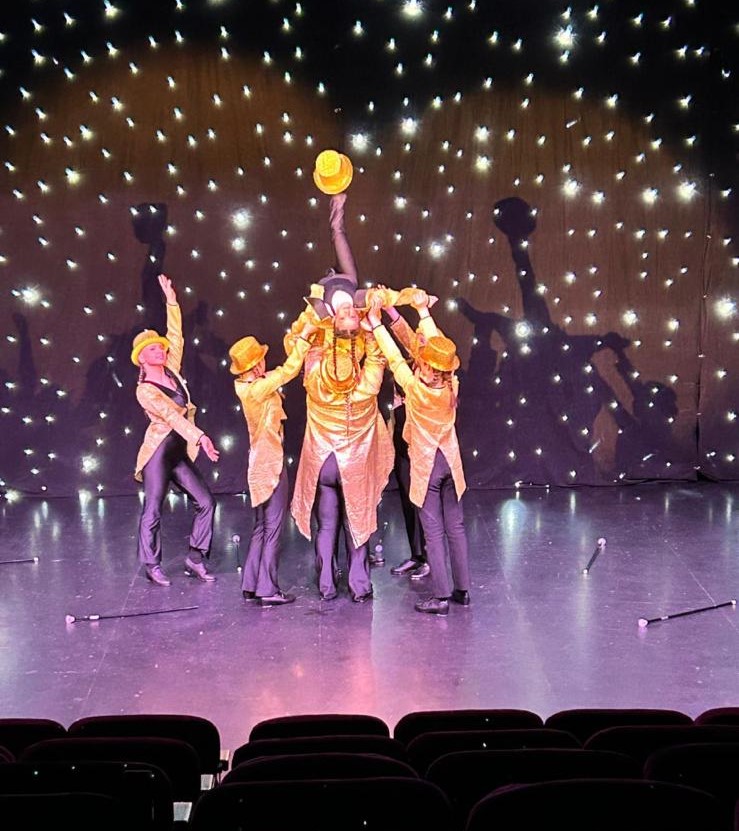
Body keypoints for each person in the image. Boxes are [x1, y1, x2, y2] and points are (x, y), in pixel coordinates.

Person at [287, 193, 394, 602]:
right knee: (360, 516)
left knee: (328, 520)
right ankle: (358, 582)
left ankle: (327, 583)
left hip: (322, 458)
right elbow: (375, 371)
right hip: (353, 455)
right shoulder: (364, 368)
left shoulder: (316, 361)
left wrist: (318, 310)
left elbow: (303, 339)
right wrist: (373, 328)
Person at [366, 290, 470, 615]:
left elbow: (396, 360)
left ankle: (440, 597)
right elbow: (438, 345)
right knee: (456, 526)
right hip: (451, 464)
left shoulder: (416, 388)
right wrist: (423, 313)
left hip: (428, 467)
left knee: (434, 531)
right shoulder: (452, 384)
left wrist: (375, 325)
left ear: (426, 367)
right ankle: (461, 590)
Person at [132, 273, 220, 587]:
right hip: (159, 452)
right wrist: (201, 436)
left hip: (179, 452)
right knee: (153, 510)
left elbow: (177, 335)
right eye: (154, 350)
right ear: (142, 358)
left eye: (161, 348)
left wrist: (171, 300)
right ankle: (151, 564)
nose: (161, 350)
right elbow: (171, 416)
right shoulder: (145, 389)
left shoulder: (172, 371)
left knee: (207, 502)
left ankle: (195, 557)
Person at [229, 318, 317, 607]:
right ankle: (267, 588)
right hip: (270, 464)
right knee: (273, 527)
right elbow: (289, 370)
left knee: (261, 527)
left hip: (258, 462)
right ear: (255, 366)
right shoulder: (257, 389)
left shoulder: (248, 386)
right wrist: (304, 337)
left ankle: (252, 583)